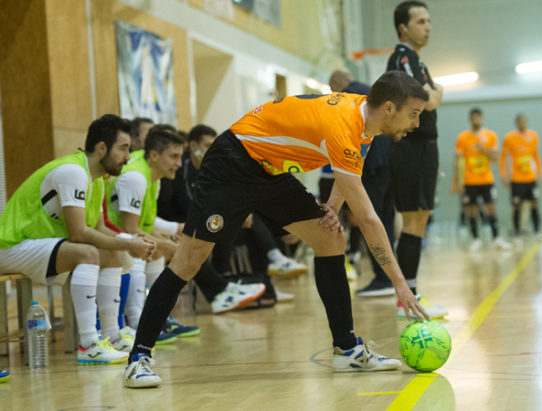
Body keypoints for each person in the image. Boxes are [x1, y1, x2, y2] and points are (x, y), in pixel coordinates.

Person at [123, 70, 432, 388]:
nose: (417, 123)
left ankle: (347, 348)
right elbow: (368, 218)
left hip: (269, 169)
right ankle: (138, 358)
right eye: (414, 114)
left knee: (331, 238)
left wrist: (333, 207)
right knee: (189, 260)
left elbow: (350, 167)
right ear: (390, 108)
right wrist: (400, 284)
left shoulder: (365, 117)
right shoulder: (343, 123)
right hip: (232, 162)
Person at [0, 114, 155, 364]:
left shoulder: (96, 180)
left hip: (35, 245)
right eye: (123, 148)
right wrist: (129, 242)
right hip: (9, 246)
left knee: (114, 255)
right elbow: (79, 234)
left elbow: (100, 228)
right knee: (88, 253)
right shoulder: (73, 172)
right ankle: (88, 344)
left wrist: (131, 241)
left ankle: (112, 337)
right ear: (102, 147)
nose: (128, 156)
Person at [156, 124, 267, 313]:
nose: (177, 162)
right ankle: (222, 289)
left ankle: (260, 274)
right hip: (176, 222)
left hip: (181, 223)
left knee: (228, 223)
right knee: (200, 236)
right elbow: (186, 204)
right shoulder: (179, 169)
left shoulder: (213, 165)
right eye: (207, 145)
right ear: (192, 146)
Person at [106, 125, 199, 343]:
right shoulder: (136, 177)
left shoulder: (152, 175)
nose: (179, 163)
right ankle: (139, 322)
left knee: (157, 248)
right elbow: (131, 230)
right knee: (143, 251)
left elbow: (145, 224)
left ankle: (158, 318)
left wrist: (173, 231)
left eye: (180, 156)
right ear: (155, 155)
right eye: (174, 156)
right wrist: (169, 245)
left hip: (123, 235)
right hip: (110, 235)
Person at [386, 1, 447, 318]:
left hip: (425, 148)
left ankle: (411, 294)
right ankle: (404, 300)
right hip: (408, 146)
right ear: (403, 28)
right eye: (421, 21)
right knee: (411, 219)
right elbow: (429, 100)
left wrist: (435, 91)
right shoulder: (403, 58)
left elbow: (433, 96)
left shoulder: (418, 62)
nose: (428, 26)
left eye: (429, 21)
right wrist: (436, 92)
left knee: (421, 218)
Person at [328, 67, 396, 297]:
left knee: (370, 218)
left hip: (370, 164)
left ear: (337, 83)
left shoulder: (347, 97)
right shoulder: (372, 91)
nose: (332, 93)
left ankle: (382, 278)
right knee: (386, 219)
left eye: (331, 89)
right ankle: (390, 275)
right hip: (389, 164)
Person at [453, 108, 511, 252]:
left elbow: (495, 158)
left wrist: (483, 149)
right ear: (469, 119)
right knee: (472, 210)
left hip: (486, 179)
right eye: (473, 117)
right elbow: (458, 160)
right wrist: (458, 181)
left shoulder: (491, 136)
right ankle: (476, 240)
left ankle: (496, 239)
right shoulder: (462, 137)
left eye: (478, 117)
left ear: (482, 118)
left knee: (491, 208)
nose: (476, 120)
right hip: (469, 180)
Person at [500, 114, 542, 245]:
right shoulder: (509, 137)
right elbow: (503, 158)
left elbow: (536, 155)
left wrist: (540, 172)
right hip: (517, 179)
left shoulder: (533, 136)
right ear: (516, 123)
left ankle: (537, 231)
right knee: (516, 205)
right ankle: (517, 233)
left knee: (534, 204)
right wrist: (504, 176)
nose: (523, 123)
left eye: (525, 121)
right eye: (520, 121)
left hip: (531, 178)